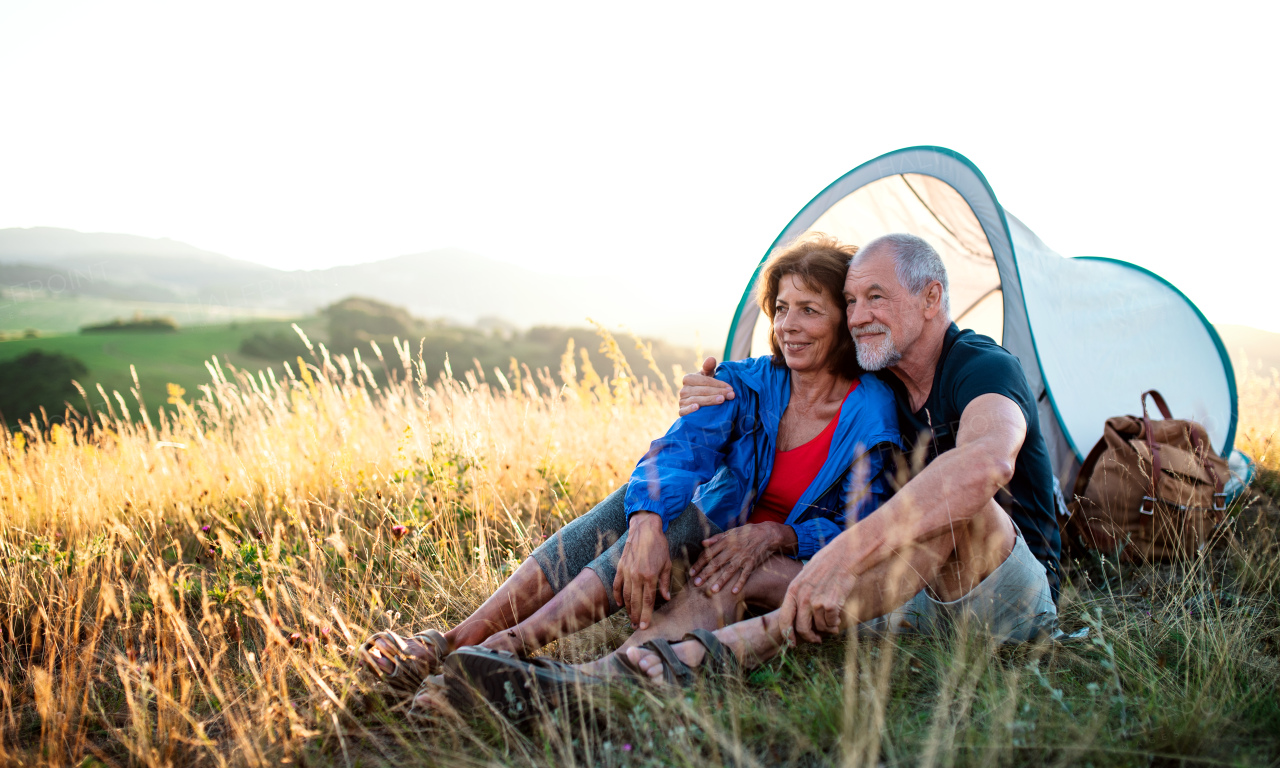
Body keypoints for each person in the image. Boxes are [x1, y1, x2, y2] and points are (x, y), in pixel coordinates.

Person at [462, 232, 1060, 706]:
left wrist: (833, 556)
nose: (857, 316)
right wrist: (702, 406)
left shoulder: (981, 368)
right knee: (718, 559)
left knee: (957, 499)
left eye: (874, 297)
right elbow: (695, 440)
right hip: (897, 602)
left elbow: (985, 463)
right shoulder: (879, 381)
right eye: (851, 301)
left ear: (932, 299)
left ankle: (722, 649)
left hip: (997, 596)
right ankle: (598, 679)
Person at [361, 234, 901, 707]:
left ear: (844, 321)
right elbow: (677, 452)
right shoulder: (748, 381)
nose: (789, 326)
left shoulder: (871, 412)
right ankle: (464, 640)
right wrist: (645, 525)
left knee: (694, 529)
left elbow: (869, 525)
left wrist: (776, 534)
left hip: (793, 570)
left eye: (809, 309)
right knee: (648, 505)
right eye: (780, 308)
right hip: (710, 546)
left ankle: (531, 658)